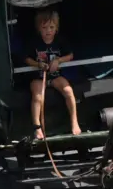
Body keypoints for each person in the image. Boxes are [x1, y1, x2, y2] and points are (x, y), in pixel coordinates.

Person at [24, 8, 81, 139]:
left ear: (56, 28)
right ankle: (37, 127)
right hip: (38, 77)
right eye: (44, 28)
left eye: (51, 27)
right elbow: (26, 59)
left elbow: (70, 55)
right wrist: (38, 64)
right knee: (37, 96)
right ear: (39, 29)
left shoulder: (60, 40)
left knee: (68, 91)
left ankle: (74, 122)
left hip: (55, 76)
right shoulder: (34, 42)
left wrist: (58, 60)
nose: (48, 31)